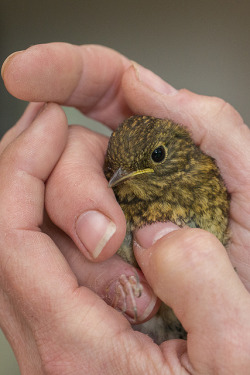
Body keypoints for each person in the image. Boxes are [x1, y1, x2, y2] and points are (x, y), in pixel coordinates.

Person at [1, 43, 250, 375]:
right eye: (115, 171)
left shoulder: (208, 176)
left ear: (177, 150)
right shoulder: (117, 199)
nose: (122, 178)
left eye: (157, 157)